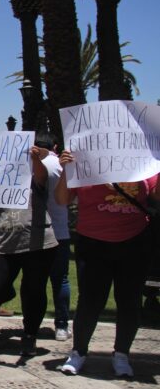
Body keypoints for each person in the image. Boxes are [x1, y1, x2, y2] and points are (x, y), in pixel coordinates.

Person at [56, 150, 159, 377]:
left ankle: (122, 355)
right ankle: (78, 352)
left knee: (129, 301)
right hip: (93, 243)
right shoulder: (83, 160)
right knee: (90, 302)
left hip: (134, 242)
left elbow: (157, 196)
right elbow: (62, 199)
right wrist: (66, 169)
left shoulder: (144, 160)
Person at [0, 145, 58, 357]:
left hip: (38, 241)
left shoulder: (34, 177)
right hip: (6, 241)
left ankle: (29, 336)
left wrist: (35, 159)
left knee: (34, 290)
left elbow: (42, 176)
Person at [36, 135, 72, 341]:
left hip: (36, 232)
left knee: (36, 282)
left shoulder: (30, 167)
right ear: (55, 147)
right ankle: (61, 325)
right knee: (60, 280)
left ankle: (31, 324)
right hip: (60, 230)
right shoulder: (60, 166)